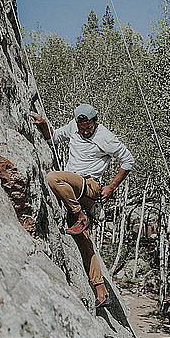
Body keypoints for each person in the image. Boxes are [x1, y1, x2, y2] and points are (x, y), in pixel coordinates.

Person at [31, 103, 134, 308]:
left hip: (89, 185)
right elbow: (53, 138)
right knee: (84, 242)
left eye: (89, 127)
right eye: (82, 127)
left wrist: (111, 187)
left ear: (95, 122)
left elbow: (128, 160)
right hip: (72, 188)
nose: (85, 130)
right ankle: (101, 291)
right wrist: (43, 125)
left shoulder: (105, 137)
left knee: (52, 178)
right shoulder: (73, 127)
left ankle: (80, 215)